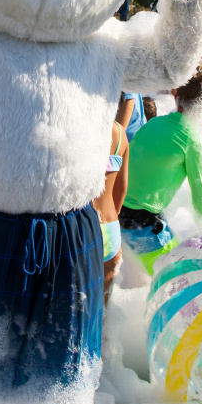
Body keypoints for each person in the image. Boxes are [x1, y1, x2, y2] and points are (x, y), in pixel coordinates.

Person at [119, 66, 202, 274]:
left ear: (176, 97)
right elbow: (201, 201)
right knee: (180, 279)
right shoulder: (193, 141)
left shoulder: (154, 123)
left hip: (115, 214)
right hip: (140, 225)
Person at [94, 120, 128, 302]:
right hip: (111, 228)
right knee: (104, 311)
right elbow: (122, 188)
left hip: (84, 230)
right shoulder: (121, 133)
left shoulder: (84, 126)